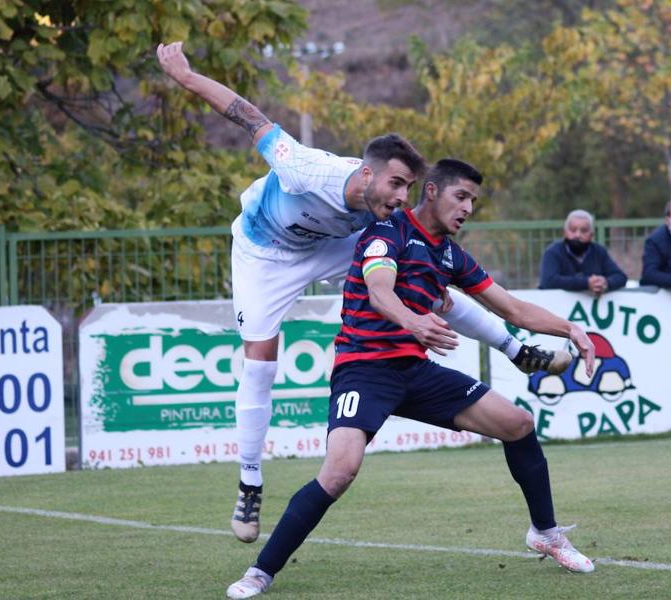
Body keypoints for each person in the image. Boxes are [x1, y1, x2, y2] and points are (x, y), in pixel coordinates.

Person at [156, 41, 571, 544]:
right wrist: (186, 76)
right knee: (262, 360)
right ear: (366, 174)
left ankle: (516, 349)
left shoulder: (383, 214)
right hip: (264, 251)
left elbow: (413, 261)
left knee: (427, 285)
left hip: (331, 245)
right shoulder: (304, 168)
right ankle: (249, 480)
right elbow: (247, 114)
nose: (402, 199)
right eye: (397, 186)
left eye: (409, 188)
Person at [225, 159, 598, 599]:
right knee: (340, 471)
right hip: (363, 368)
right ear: (433, 191)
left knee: (518, 424)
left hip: (415, 371)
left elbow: (512, 309)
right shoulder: (388, 232)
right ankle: (260, 573)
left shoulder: (451, 255)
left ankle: (546, 533)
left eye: (474, 201)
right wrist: (414, 323)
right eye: (461, 197)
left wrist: (571, 329)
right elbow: (380, 291)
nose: (468, 208)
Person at [539, 209, 628, 296]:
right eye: (573, 230)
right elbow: (548, 281)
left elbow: (620, 277)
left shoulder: (599, 251)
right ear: (565, 232)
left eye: (584, 231)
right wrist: (587, 283)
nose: (578, 235)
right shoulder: (553, 252)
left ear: (591, 235)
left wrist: (605, 283)